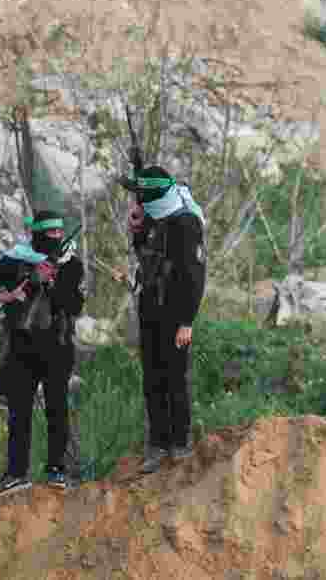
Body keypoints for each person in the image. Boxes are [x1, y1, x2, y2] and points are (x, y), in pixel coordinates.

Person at [0, 210, 85, 499]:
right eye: (50, 234)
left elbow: (74, 306)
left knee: (57, 409)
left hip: (58, 349)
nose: (56, 238)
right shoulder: (14, 260)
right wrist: (9, 294)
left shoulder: (72, 265)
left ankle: (57, 470)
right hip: (21, 351)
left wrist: (51, 282)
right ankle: (16, 474)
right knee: (19, 414)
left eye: (59, 233)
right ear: (36, 235)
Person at [122, 165, 207, 474]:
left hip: (175, 312)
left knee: (176, 378)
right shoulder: (152, 218)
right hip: (150, 306)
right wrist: (137, 228)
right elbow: (144, 254)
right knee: (152, 378)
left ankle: (180, 443)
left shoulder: (186, 222)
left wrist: (187, 320)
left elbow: (194, 275)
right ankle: (158, 444)